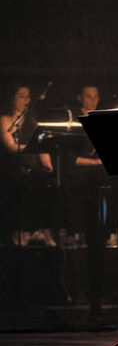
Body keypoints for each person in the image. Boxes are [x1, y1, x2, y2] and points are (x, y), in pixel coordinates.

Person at [0, 85, 56, 246]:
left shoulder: (32, 120)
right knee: (22, 187)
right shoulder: (6, 120)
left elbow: (42, 146)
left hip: (34, 168)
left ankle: (45, 233)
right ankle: (20, 232)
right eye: (21, 96)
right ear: (13, 98)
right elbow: (11, 147)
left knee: (47, 188)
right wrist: (32, 146)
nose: (26, 100)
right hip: (14, 167)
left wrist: (48, 165)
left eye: (28, 97)